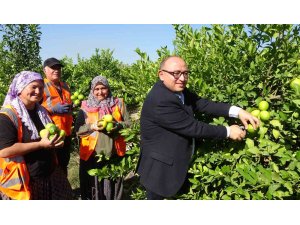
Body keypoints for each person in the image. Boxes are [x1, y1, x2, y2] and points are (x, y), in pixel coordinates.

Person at [136, 56, 260, 200]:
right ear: (161, 74)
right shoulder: (160, 100)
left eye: (185, 73)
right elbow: (193, 128)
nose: (182, 78)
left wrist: (238, 111)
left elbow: (203, 104)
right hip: (161, 169)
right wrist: (228, 131)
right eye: (176, 73)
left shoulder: (178, 91)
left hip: (174, 162)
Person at [0, 71, 74, 200]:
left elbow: (49, 136)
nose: (38, 91)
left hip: (49, 173)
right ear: (20, 88)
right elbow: (5, 151)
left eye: (40, 88)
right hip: (26, 179)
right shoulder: (8, 115)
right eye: (33, 87)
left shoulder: (42, 111)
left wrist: (56, 142)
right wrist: (41, 144)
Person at [75, 75, 130, 200]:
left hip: (113, 152)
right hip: (92, 154)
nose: (100, 92)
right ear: (92, 90)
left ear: (108, 89)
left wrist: (116, 125)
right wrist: (92, 127)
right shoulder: (85, 107)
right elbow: (78, 130)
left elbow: (129, 125)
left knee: (113, 184)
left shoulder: (118, 103)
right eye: (96, 89)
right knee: (94, 185)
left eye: (103, 88)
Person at [41, 57, 73, 175]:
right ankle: (55, 192)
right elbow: (33, 110)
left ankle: (65, 191)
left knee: (64, 163)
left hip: (66, 132)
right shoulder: (41, 86)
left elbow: (67, 102)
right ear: (45, 70)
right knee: (53, 165)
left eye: (58, 68)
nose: (56, 70)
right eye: (53, 68)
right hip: (51, 134)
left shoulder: (65, 85)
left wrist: (71, 106)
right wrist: (52, 110)